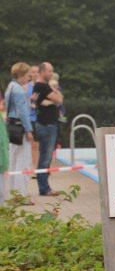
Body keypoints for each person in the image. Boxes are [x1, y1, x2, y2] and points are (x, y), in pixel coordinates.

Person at [4, 62, 35, 204]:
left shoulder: (10, 87)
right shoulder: (19, 90)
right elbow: (23, 113)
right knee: (23, 162)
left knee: (12, 161)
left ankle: (11, 194)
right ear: (22, 75)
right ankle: (21, 196)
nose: (29, 78)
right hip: (20, 128)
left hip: (10, 127)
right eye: (28, 75)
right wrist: (29, 130)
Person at [32, 62, 63, 197]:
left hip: (48, 124)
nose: (51, 74)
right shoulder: (42, 86)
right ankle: (44, 188)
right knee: (45, 157)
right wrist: (55, 97)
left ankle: (44, 187)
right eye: (49, 71)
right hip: (47, 125)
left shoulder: (42, 87)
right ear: (42, 71)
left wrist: (55, 99)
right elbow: (59, 99)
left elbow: (59, 100)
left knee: (46, 156)